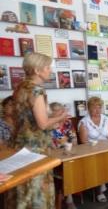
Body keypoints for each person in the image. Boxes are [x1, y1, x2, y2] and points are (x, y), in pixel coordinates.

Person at [6, 53, 69, 209]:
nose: (50, 71)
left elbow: (27, 118)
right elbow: (42, 124)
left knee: (21, 193)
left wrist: (52, 117)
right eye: (48, 67)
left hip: (18, 146)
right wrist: (60, 118)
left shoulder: (20, 87)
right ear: (37, 70)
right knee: (36, 194)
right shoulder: (37, 90)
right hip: (34, 150)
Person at [78, 96, 108, 203]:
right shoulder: (84, 122)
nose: (97, 110)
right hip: (91, 150)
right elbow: (84, 141)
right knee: (99, 162)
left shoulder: (106, 119)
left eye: (99, 107)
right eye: (94, 107)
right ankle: (100, 191)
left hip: (107, 148)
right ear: (89, 109)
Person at [48, 102, 78, 209]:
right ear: (51, 116)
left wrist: (67, 145)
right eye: (57, 114)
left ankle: (68, 196)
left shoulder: (68, 123)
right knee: (64, 170)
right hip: (54, 158)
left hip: (69, 153)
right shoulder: (48, 126)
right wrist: (64, 143)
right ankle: (68, 199)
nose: (61, 116)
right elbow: (51, 146)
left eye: (61, 113)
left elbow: (74, 140)